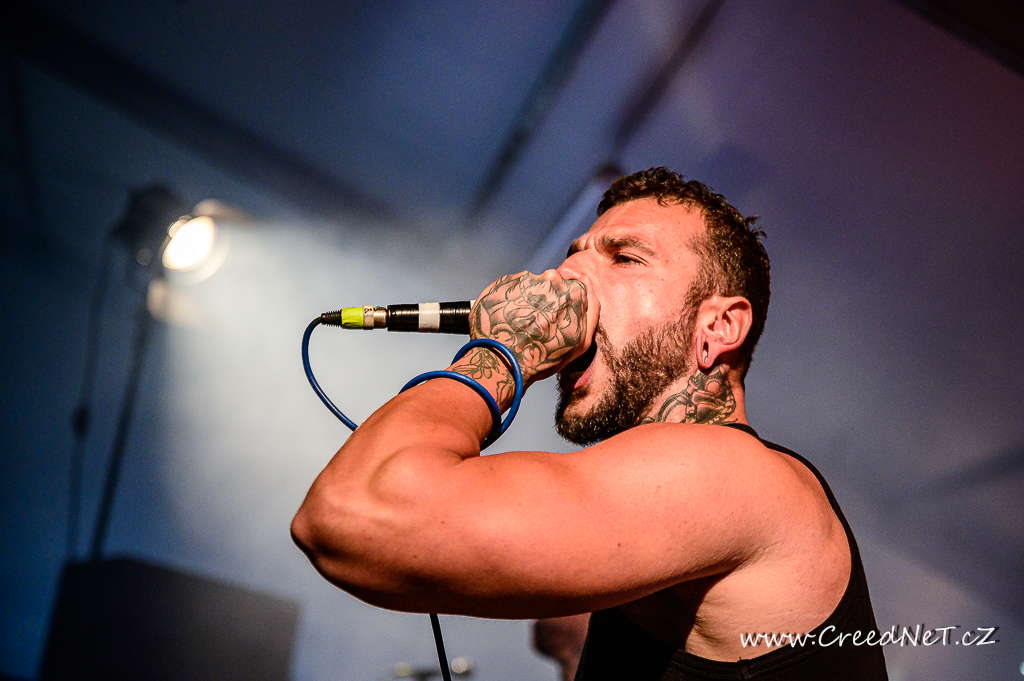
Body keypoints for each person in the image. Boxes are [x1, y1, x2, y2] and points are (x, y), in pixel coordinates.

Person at [291, 167, 888, 679]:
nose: (569, 280)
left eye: (625, 258)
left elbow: (354, 515)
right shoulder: (667, 505)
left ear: (719, 327)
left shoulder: (734, 473)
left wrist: (502, 350)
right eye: (573, 257)